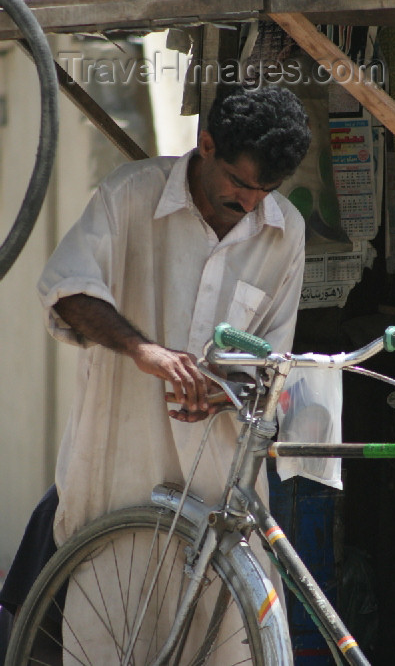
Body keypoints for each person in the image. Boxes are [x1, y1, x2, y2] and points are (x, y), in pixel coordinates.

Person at [0, 83, 311, 661]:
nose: (249, 203)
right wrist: (146, 352)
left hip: (221, 494)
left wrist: (226, 393)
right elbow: (67, 292)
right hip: (117, 484)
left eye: (264, 191)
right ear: (207, 145)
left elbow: (273, 359)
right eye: (240, 185)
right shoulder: (129, 195)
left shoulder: (283, 231)